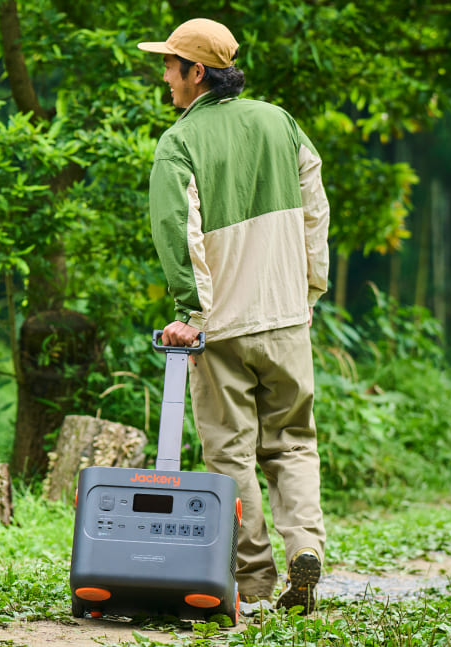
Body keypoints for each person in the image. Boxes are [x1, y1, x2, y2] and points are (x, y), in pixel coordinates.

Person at [137, 18, 331, 615]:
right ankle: (306, 547)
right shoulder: (279, 122)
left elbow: (177, 230)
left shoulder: (180, 142)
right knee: (294, 444)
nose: (164, 76)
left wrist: (191, 312)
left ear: (198, 72)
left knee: (229, 454)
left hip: (221, 328)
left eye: (170, 65)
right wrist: (310, 288)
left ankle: (253, 582)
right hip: (285, 316)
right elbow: (315, 207)